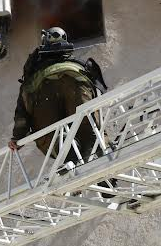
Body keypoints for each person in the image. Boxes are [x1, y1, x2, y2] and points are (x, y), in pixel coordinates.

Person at [9, 27, 107, 167]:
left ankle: (68, 152)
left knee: (55, 135)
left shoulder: (33, 71)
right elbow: (98, 97)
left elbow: (22, 115)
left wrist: (17, 139)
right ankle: (100, 160)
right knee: (89, 131)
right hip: (78, 85)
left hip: (43, 92)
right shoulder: (79, 65)